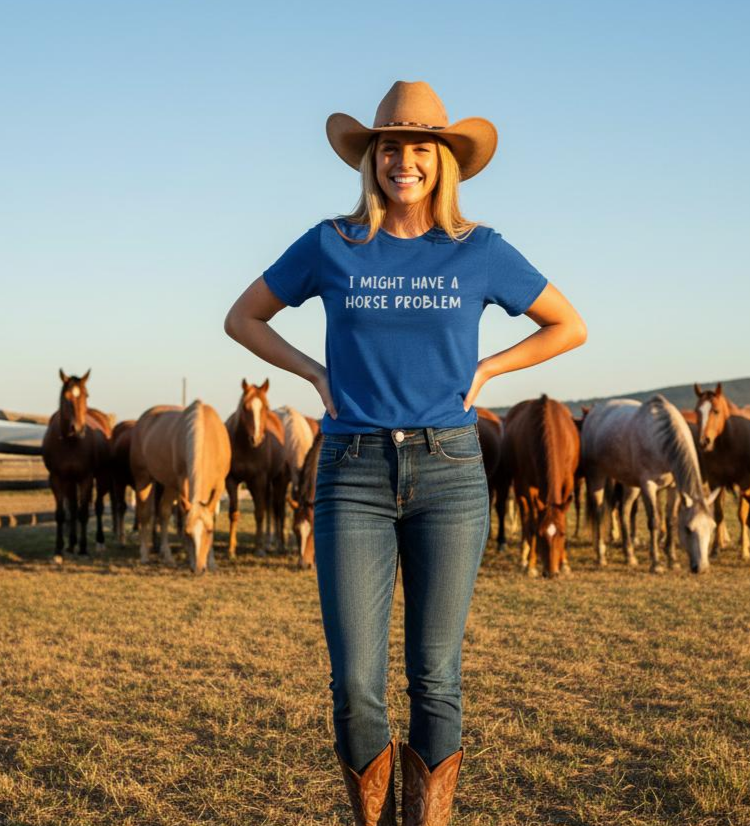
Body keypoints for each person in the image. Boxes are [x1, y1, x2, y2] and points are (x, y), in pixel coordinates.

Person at [224, 80, 587, 826]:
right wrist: (315, 372)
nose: (405, 161)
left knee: (436, 677)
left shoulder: (477, 249)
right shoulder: (332, 242)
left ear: (443, 160)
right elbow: (243, 317)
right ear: (372, 158)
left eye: (421, 147)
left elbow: (568, 325)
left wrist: (488, 371)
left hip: (449, 470)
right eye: (390, 147)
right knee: (356, 683)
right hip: (351, 468)